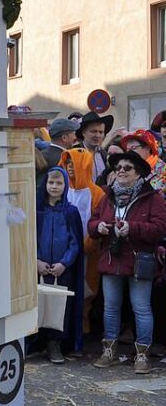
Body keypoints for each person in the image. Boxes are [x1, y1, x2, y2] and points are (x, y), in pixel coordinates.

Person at [89, 149, 166, 374]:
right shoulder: (107, 196)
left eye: (127, 168)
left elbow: (160, 228)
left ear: (139, 173)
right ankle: (109, 350)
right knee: (110, 307)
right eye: (118, 168)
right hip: (112, 258)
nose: (121, 171)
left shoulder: (152, 198)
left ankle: (142, 354)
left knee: (141, 308)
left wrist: (133, 229)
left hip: (138, 260)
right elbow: (93, 222)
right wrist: (99, 227)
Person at [36, 167, 82, 362]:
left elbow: (75, 242)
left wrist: (65, 262)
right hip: (40, 267)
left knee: (60, 306)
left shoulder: (71, 212)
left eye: (59, 183)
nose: (54, 187)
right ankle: (36, 341)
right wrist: (36, 260)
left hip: (62, 270)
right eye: (51, 182)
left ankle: (55, 343)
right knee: (39, 303)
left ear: (65, 186)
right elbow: (31, 238)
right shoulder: (38, 210)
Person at [60, 147, 104, 337]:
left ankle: (82, 329)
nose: (70, 167)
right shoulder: (62, 189)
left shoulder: (97, 193)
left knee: (87, 290)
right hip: (64, 252)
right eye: (67, 163)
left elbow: (98, 220)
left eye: (74, 163)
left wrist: (88, 245)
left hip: (88, 252)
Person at [121, 129, 166, 198]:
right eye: (127, 150)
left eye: (133, 148)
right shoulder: (126, 169)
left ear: (147, 148)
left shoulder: (162, 170)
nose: (130, 153)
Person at [75, 111, 113, 183]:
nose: (97, 135)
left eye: (101, 132)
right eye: (93, 131)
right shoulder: (74, 153)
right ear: (83, 132)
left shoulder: (104, 155)